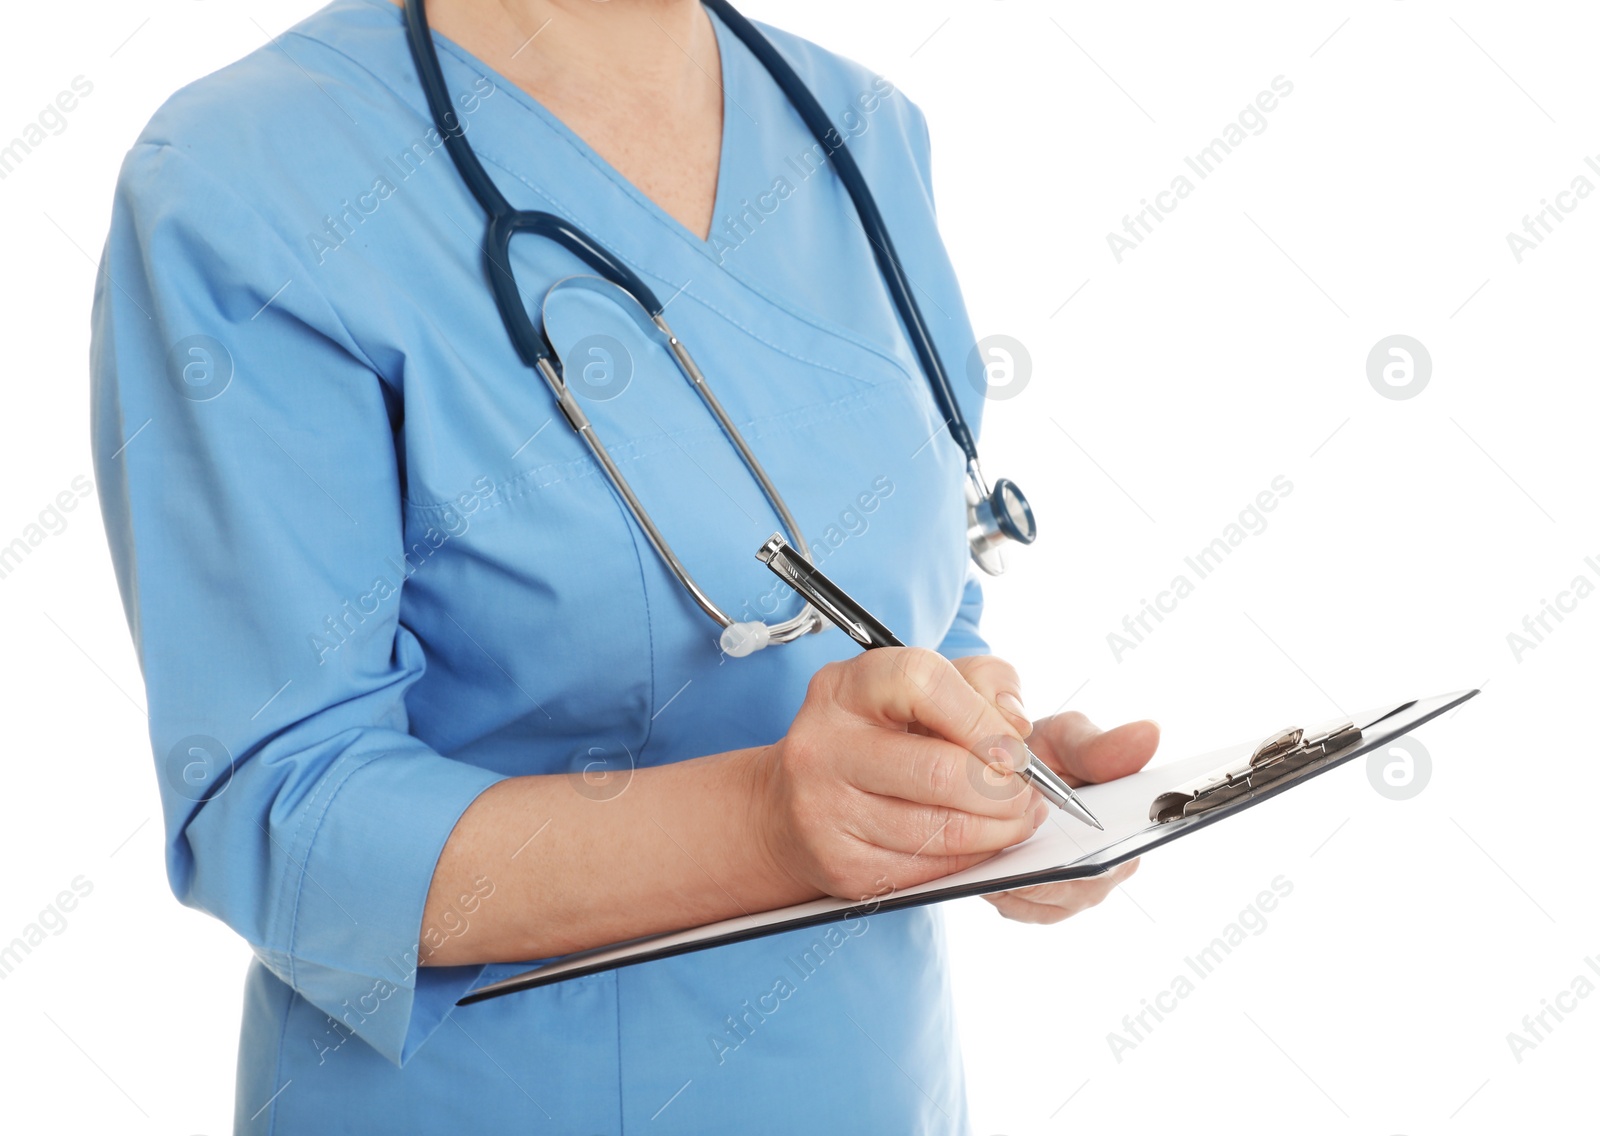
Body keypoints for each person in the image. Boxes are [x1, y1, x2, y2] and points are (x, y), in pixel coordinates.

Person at [89, 0, 1158, 1131]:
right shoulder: (249, 179)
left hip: (869, 1084)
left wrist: (984, 778)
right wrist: (766, 822)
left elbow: (912, 609)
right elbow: (280, 808)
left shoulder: (858, 131)